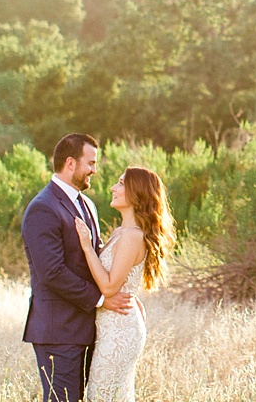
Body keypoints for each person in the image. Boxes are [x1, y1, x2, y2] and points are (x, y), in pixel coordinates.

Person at [21, 133, 136, 402]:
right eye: (91, 163)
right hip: (57, 332)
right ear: (70, 163)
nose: (95, 170)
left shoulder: (88, 205)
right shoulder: (42, 208)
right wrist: (100, 299)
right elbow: (52, 273)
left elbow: (94, 260)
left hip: (88, 329)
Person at [71, 166, 175, 402]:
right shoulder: (122, 231)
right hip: (112, 325)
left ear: (135, 193)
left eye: (120, 184)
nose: (113, 188)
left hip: (120, 330)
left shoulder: (132, 235)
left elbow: (108, 288)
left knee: (100, 396)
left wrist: (87, 246)